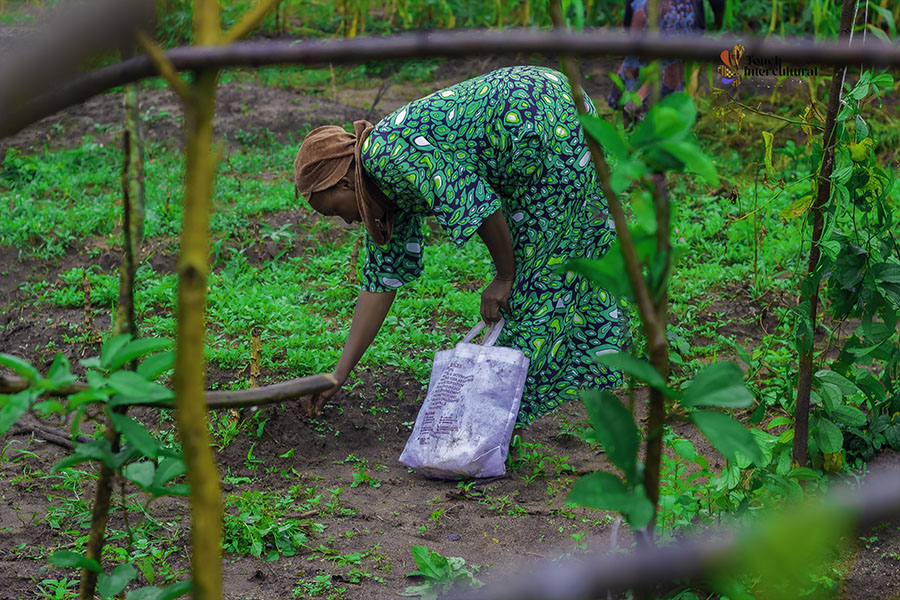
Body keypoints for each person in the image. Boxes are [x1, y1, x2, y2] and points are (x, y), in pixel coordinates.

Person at [293, 65, 628, 426]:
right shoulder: (379, 186)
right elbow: (380, 282)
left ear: (343, 183)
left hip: (542, 119)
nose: (345, 221)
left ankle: (500, 424)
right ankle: (582, 380)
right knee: (554, 269)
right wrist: (338, 375)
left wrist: (504, 275)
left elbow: (475, 201)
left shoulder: (387, 156)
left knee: (535, 282)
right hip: (550, 106)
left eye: (334, 211)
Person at [607, 0, 725, 126]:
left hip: (643, 8)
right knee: (669, 65)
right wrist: (719, 21)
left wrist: (630, 28)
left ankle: (628, 107)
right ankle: (644, 107)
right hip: (679, 12)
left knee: (639, 58)